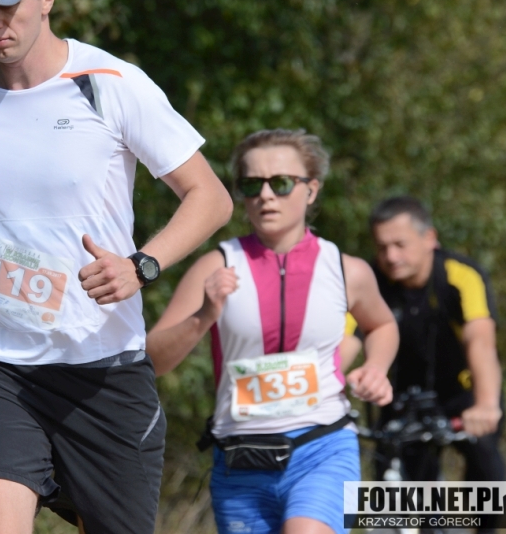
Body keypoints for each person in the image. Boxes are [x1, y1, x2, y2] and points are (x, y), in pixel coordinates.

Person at [0, 0, 233, 534]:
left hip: (102, 371)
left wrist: (140, 266)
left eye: (6, 6)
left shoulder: (110, 84)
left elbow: (210, 198)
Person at [148, 128, 399, 534]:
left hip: (322, 445)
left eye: (280, 183)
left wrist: (377, 368)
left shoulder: (345, 269)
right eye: (252, 185)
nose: (265, 195)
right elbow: (152, 361)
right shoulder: (215, 267)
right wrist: (204, 316)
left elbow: (382, 324)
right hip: (241, 458)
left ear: (311, 190)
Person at [369, 195, 506, 482]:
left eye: (400, 245)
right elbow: (345, 340)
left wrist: (486, 404)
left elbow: (480, 341)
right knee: (395, 486)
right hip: (402, 399)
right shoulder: (370, 281)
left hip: (464, 395)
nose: (391, 257)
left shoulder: (460, 275)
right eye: (382, 247)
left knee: (487, 469)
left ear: (429, 238)